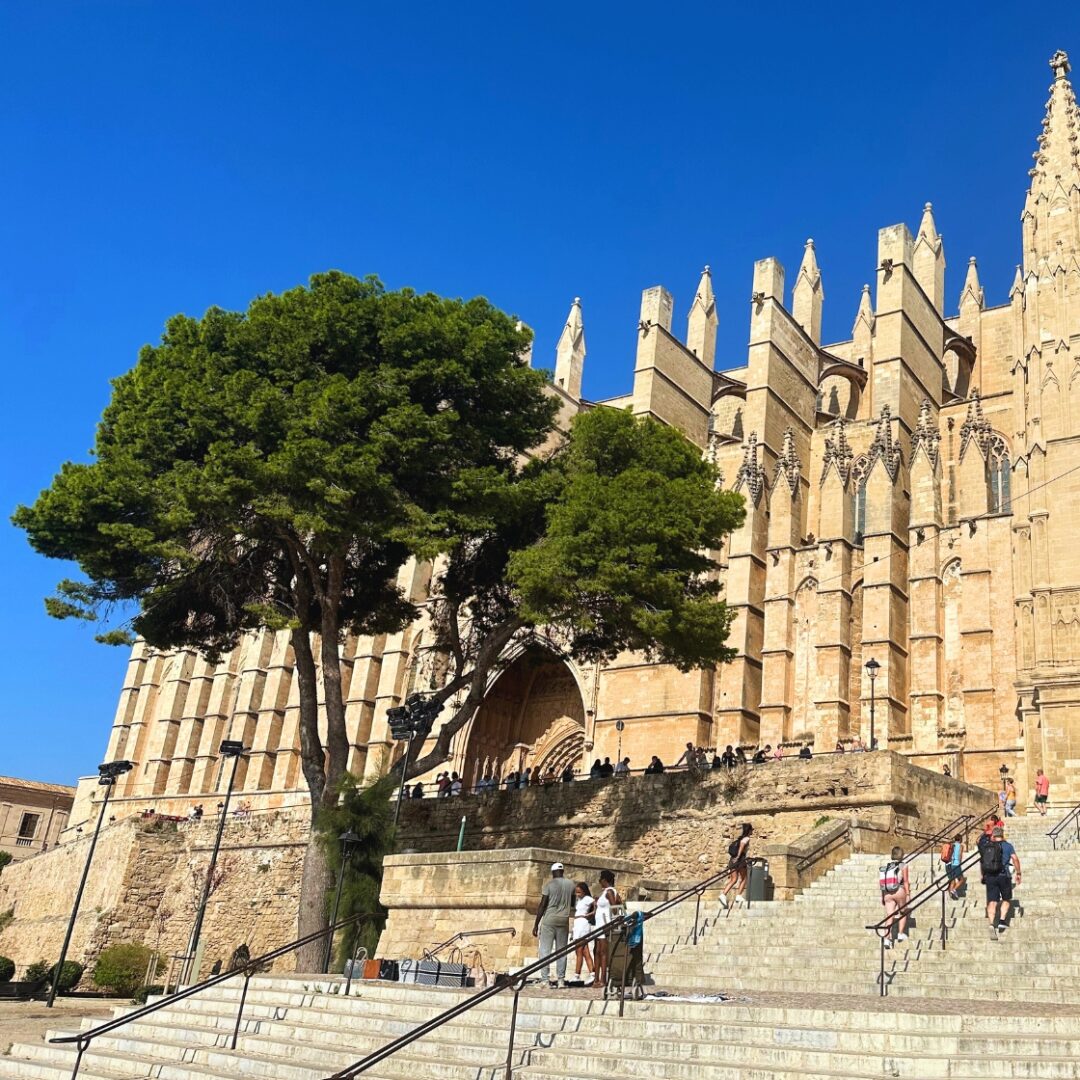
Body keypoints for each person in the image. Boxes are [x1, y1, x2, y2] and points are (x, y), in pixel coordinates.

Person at [533, 862, 577, 989]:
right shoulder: (571, 885)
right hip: (564, 920)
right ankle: (561, 980)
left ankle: (545, 980)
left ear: (553, 872)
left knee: (545, 950)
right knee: (561, 951)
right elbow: (573, 903)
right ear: (562, 871)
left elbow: (542, 905)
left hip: (550, 919)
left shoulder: (549, 885)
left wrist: (536, 924)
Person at [979, 824, 1021, 939]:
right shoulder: (1008, 846)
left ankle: (991, 923)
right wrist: (1018, 873)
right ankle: (1002, 920)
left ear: (993, 835)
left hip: (990, 876)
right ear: (1002, 835)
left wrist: (983, 875)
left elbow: (982, 862)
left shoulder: (987, 846)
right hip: (1004, 875)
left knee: (992, 901)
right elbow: (1015, 859)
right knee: (1006, 899)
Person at [592, 869, 623, 990]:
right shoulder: (607, 891)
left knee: (603, 952)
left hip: (605, 924)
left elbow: (615, 908)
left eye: (600, 879)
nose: (599, 882)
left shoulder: (609, 891)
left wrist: (611, 920)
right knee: (597, 951)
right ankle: (596, 978)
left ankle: (603, 979)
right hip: (599, 925)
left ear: (604, 880)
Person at [877, 846, 911, 948]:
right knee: (903, 912)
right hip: (899, 891)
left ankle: (887, 939)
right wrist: (908, 894)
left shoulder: (887, 867)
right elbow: (905, 881)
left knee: (889, 916)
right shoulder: (903, 865)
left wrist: (882, 897)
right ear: (902, 854)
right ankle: (900, 934)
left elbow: (883, 883)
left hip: (887, 892)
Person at [720, 823, 753, 908]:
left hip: (732, 859)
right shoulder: (746, 838)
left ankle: (723, 894)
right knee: (744, 878)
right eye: (751, 830)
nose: (752, 831)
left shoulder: (739, 838)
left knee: (733, 879)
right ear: (749, 830)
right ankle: (738, 895)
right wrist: (738, 857)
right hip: (740, 859)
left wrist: (735, 858)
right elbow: (742, 846)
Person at [569, 882, 596, 984]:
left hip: (582, 924)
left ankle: (577, 975)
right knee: (584, 951)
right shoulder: (579, 900)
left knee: (579, 950)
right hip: (577, 924)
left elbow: (596, 905)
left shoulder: (588, 899)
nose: (577, 894)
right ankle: (592, 973)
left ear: (584, 891)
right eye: (576, 892)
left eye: (579, 892)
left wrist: (590, 914)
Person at [943, 832, 965, 899]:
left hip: (950, 864)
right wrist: (960, 863)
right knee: (961, 879)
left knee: (952, 880)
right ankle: (953, 890)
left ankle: (951, 895)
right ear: (960, 839)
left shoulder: (952, 845)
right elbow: (959, 855)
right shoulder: (960, 846)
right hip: (956, 864)